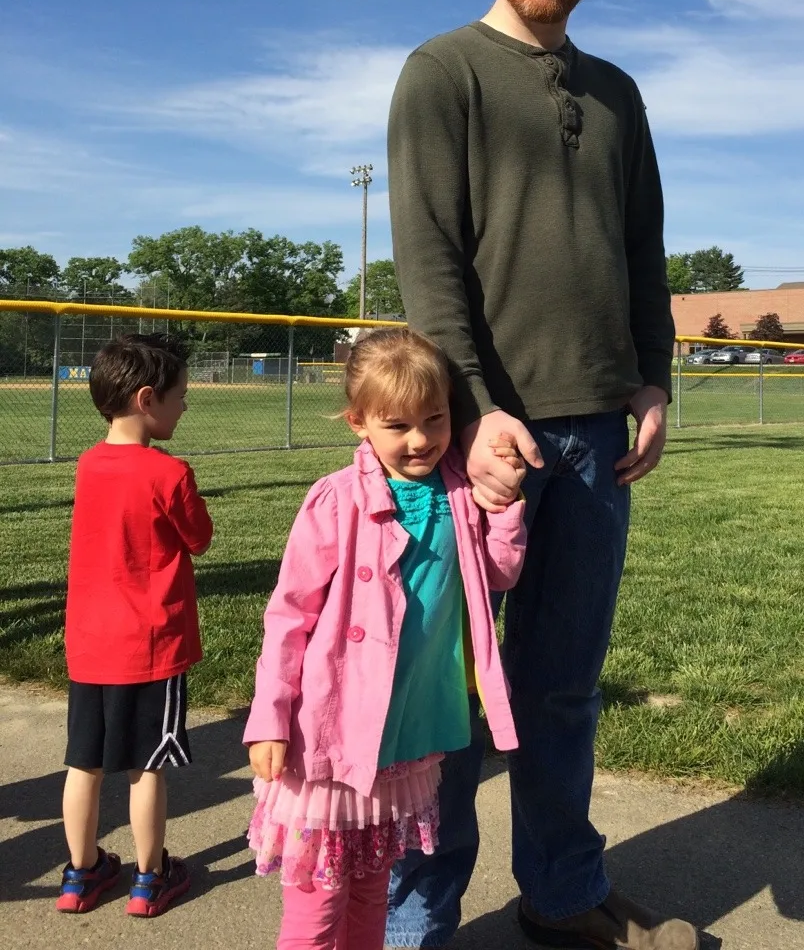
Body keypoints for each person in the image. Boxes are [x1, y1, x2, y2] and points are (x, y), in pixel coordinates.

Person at [387, 0, 699, 949]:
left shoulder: (619, 94)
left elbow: (644, 249)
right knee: (447, 697)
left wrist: (653, 373)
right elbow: (428, 262)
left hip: (596, 433)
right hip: (478, 441)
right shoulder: (444, 71)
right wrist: (468, 412)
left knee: (562, 686)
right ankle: (416, 918)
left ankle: (560, 891)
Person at [242, 327, 526, 950]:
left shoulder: (462, 495)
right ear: (358, 423)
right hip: (330, 734)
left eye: (435, 418)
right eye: (397, 425)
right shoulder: (335, 501)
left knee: (373, 890)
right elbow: (288, 615)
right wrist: (269, 717)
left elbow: (499, 574)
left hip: (406, 737)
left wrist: (505, 511)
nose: (421, 439)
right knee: (317, 908)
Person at [58, 332, 213, 918]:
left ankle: (80, 873)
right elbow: (199, 538)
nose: (185, 405)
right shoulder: (168, 472)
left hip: (89, 643)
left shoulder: (88, 463)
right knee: (146, 767)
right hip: (151, 645)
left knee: (84, 762)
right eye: (180, 395)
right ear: (148, 399)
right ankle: (149, 879)